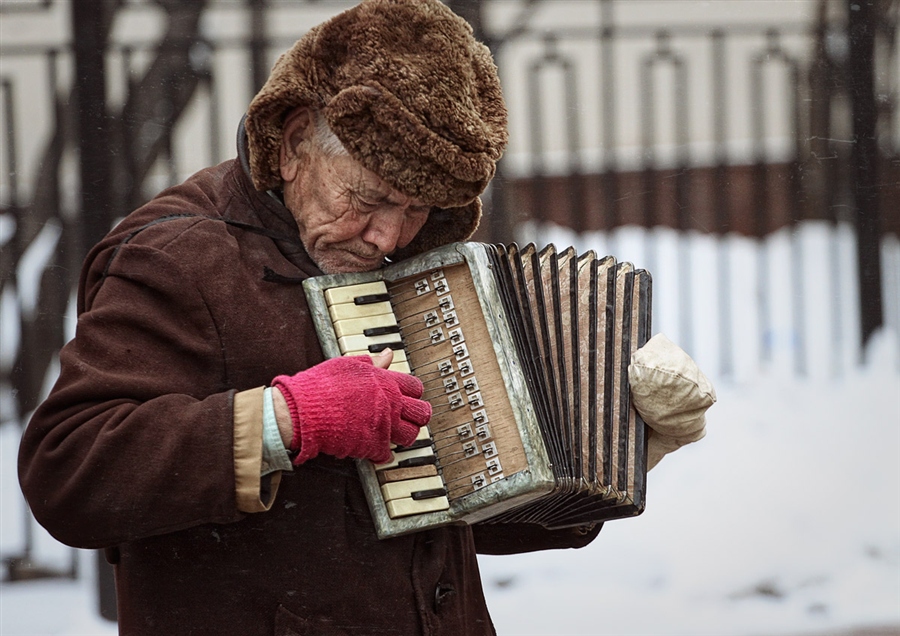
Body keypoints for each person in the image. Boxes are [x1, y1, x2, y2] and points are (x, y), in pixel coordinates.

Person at [18, 1, 715, 634]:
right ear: (294, 144)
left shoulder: (418, 269)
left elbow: (464, 506)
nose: (389, 236)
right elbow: (66, 469)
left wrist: (621, 450)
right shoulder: (177, 258)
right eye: (370, 197)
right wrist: (286, 420)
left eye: (415, 210)